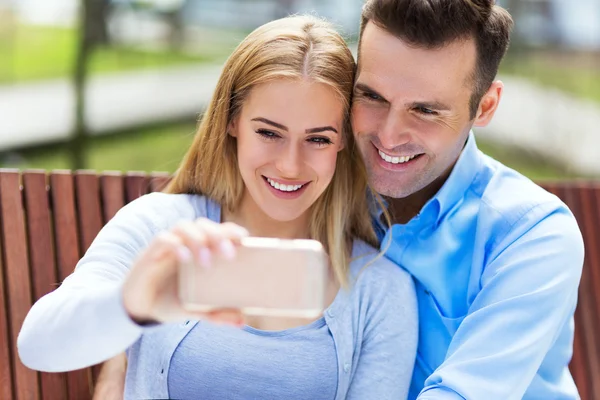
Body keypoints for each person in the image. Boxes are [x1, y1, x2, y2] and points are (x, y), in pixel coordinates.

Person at [17, 15, 418, 399]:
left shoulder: (380, 290)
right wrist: (133, 302)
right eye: (268, 132)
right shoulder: (161, 229)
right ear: (232, 121)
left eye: (318, 139)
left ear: (344, 140)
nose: (289, 165)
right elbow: (37, 345)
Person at [352, 0, 584, 399]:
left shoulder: (533, 235)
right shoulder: (322, 188)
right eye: (372, 97)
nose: (389, 136)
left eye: (425, 110)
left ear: (485, 106)